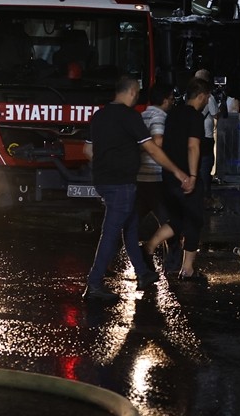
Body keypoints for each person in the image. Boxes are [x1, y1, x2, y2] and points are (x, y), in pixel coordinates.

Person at [83, 77, 194, 302]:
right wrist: (178, 172)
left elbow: (87, 150)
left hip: (104, 181)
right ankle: (94, 284)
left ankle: (143, 273)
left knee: (131, 226)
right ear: (133, 92)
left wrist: (108, 163)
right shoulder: (129, 116)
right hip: (121, 183)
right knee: (111, 232)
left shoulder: (99, 116)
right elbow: (152, 149)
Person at [154, 76, 211, 280]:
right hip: (186, 176)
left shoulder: (172, 114)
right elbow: (193, 146)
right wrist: (193, 176)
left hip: (169, 176)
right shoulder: (195, 117)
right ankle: (187, 269)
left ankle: (155, 251)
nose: (207, 102)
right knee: (194, 221)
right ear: (202, 96)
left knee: (175, 220)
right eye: (207, 97)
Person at [136, 82, 176, 269]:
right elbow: (158, 140)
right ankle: (170, 262)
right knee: (171, 221)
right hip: (155, 175)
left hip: (140, 176)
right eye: (172, 98)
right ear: (166, 99)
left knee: (133, 219)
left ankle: (135, 259)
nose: (173, 101)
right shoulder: (159, 116)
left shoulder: (142, 115)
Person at [192, 69, 222, 211]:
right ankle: (205, 197)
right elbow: (216, 113)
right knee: (206, 166)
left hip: (193, 135)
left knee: (195, 166)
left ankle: (195, 197)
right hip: (206, 136)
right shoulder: (209, 97)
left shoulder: (189, 95)